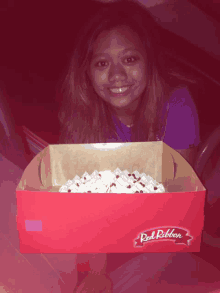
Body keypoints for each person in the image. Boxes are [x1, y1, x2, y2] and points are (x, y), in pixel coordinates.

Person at [56, 0, 204, 291]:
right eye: (102, 63)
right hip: (105, 235)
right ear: (87, 72)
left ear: (149, 61)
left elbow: (172, 207)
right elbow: (87, 206)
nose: (116, 76)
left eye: (129, 59)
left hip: (159, 235)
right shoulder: (81, 119)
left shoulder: (177, 107)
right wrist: (95, 273)